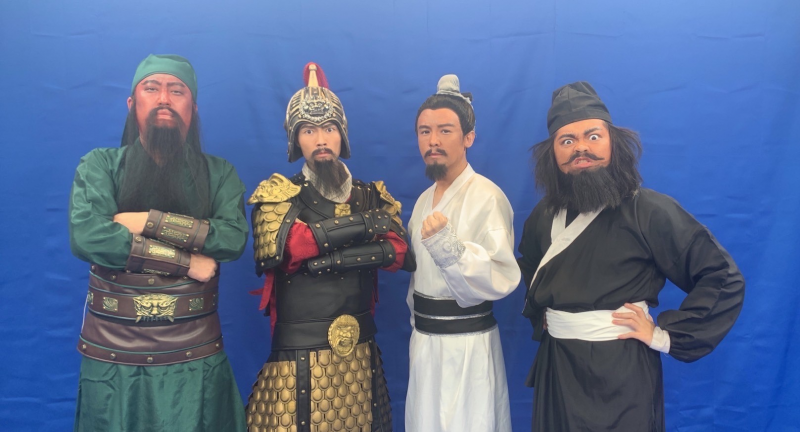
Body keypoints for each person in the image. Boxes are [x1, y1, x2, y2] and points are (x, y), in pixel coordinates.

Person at [518, 81, 745, 431]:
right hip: (557, 366)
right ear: (553, 154)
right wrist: (543, 314)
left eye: (593, 136)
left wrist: (665, 336)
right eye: (567, 141)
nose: (581, 148)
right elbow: (531, 266)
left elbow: (722, 277)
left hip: (622, 371)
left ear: (614, 142)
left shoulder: (649, 211)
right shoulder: (543, 216)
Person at [69, 54, 248, 432]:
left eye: (177, 91)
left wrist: (144, 221)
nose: (164, 98)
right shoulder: (100, 166)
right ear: (131, 103)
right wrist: (187, 263)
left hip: (195, 357)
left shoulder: (219, 174)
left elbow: (231, 239)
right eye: (152, 88)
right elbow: (88, 236)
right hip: (113, 359)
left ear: (193, 109)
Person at [245, 62, 416, 432]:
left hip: (361, 350)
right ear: (296, 140)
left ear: (342, 135)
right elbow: (289, 249)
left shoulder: (371, 194)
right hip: (298, 354)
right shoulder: (278, 195)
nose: (320, 138)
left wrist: (327, 257)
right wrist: (370, 226)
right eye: (309, 130)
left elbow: (401, 254)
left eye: (329, 128)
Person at [405, 74, 520, 432]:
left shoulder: (488, 197)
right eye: (425, 131)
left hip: (468, 346)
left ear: (469, 137)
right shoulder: (423, 201)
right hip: (424, 343)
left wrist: (449, 248)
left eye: (445, 130)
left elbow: (501, 275)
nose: (433, 141)